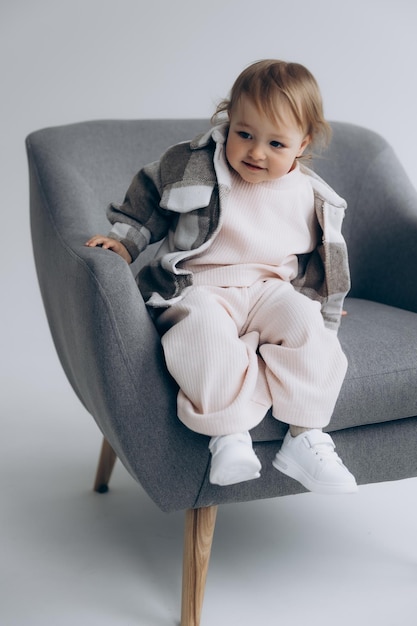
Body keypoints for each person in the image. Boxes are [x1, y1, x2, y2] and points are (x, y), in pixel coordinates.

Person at [86, 59, 357, 494]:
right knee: (203, 335)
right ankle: (228, 435)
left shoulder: (316, 198)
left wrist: (323, 306)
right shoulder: (192, 164)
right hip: (199, 285)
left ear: (303, 143)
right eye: (244, 134)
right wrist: (125, 241)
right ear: (228, 121)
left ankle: (305, 436)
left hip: (270, 290)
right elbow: (148, 203)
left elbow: (322, 264)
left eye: (275, 143)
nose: (256, 152)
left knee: (310, 329)